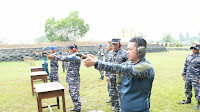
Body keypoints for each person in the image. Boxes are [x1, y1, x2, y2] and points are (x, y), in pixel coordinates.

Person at [82, 37, 155, 112]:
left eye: (130, 49)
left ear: (141, 51)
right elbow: (114, 66)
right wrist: (94, 60)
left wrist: (96, 63)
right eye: (127, 49)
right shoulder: (129, 63)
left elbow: (123, 69)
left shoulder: (146, 67)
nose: (127, 52)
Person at [48, 44, 81, 112]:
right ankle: (76, 107)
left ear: (74, 50)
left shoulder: (76, 57)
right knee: (72, 94)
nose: (69, 51)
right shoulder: (72, 56)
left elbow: (64, 58)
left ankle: (78, 109)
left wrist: (53, 57)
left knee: (75, 94)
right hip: (71, 79)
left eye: (70, 50)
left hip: (74, 80)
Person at [108, 38, 127, 111]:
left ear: (120, 45)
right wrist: (107, 75)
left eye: (116, 44)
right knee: (112, 92)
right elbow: (106, 64)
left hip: (120, 78)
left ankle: (123, 107)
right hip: (111, 77)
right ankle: (116, 107)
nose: (114, 46)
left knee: (121, 93)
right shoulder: (109, 53)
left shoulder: (125, 53)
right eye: (113, 44)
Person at [181, 44, 200, 109]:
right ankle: (188, 100)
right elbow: (186, 66)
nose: (193, 50)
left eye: (194, 48)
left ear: (198, 49)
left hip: (196, 77)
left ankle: (199, 104)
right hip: (188, 76)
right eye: (192, 48)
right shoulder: (189, 56)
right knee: (187, 89)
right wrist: (184, 74)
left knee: (197, 91)